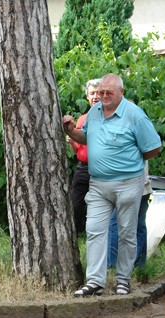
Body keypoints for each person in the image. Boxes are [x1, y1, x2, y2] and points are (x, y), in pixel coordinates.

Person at [63, 73, 161, 297]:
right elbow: (86, 137)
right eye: (100, 93)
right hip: (97, 183)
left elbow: (153, 147)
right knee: (94, 230)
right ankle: (95, 281)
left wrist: (130, 162)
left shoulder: (134, 115)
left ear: (121, 92)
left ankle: (123, 280)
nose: (103, 97)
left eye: (108, 93)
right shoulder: (94, 112)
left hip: (128, 183)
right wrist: (70, 130)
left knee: (127, 232)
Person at [68, 78, 100, 235]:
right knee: (75, 206)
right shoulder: (82, 119)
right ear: (87, 97)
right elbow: (77, 150)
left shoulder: (108, 118)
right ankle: (73, 235)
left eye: (98, 93)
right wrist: (71, 141)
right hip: (82, 168)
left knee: (100, 207)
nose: (95, 97)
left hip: (101, 169)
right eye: (91, 93)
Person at [108, 163, 151, 268]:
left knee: (114, 224)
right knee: (139, 226)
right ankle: (138, 264)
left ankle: (112, 264)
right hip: (142, 186)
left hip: (129, 186)